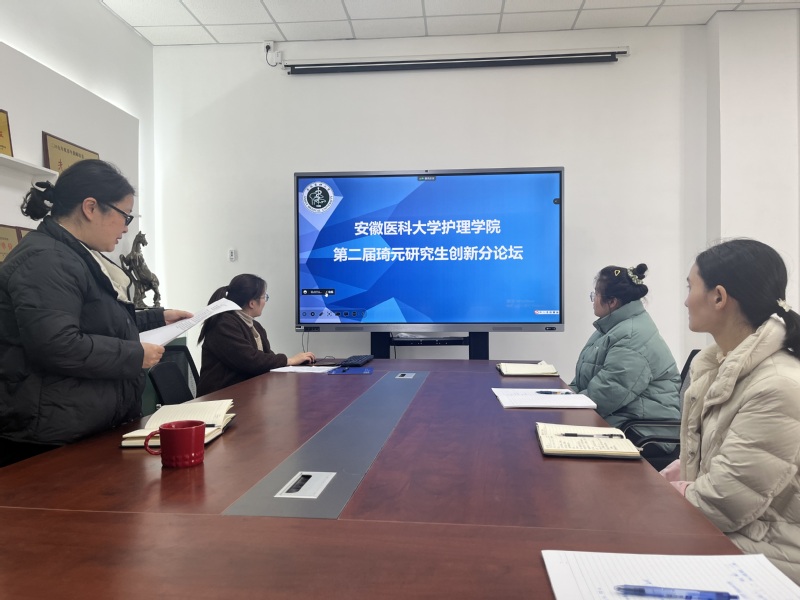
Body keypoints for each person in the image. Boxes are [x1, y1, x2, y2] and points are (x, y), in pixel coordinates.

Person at [0, 159, 192, 467]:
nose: (126, 227)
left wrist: (158, 317)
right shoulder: (46, 259)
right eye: (125, 215)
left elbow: (97, 320)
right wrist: (135, 355)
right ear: (90, 207)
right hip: (51, 440)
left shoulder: (74, 254)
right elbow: (57, 344)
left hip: (82, 427)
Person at [661, 239, 800, 584]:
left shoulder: (777, 385)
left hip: (772, 555)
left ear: (719, 297)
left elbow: (722, 504)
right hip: (740, 533)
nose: (685, 300)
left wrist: (656, 497)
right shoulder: (722, 366)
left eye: (690, 287)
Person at [570, 264, 681, 449]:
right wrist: (562, 398)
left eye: (595, 294)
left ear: (612, 301)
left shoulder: (631, 336)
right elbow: (584, 382)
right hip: (621, 419)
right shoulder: (611, 327)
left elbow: (607, 394)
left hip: (644, 433)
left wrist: (565, 408)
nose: (593, 300)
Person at [197, 274, 315, 395]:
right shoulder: (223, 324)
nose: (265, 301)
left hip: (245, 393)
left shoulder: (255, 326)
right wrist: (289, 360)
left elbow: (266, 358)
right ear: (252, 303)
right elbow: (249, 360)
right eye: (264, 297)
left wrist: (291, 362)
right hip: (219, 398)